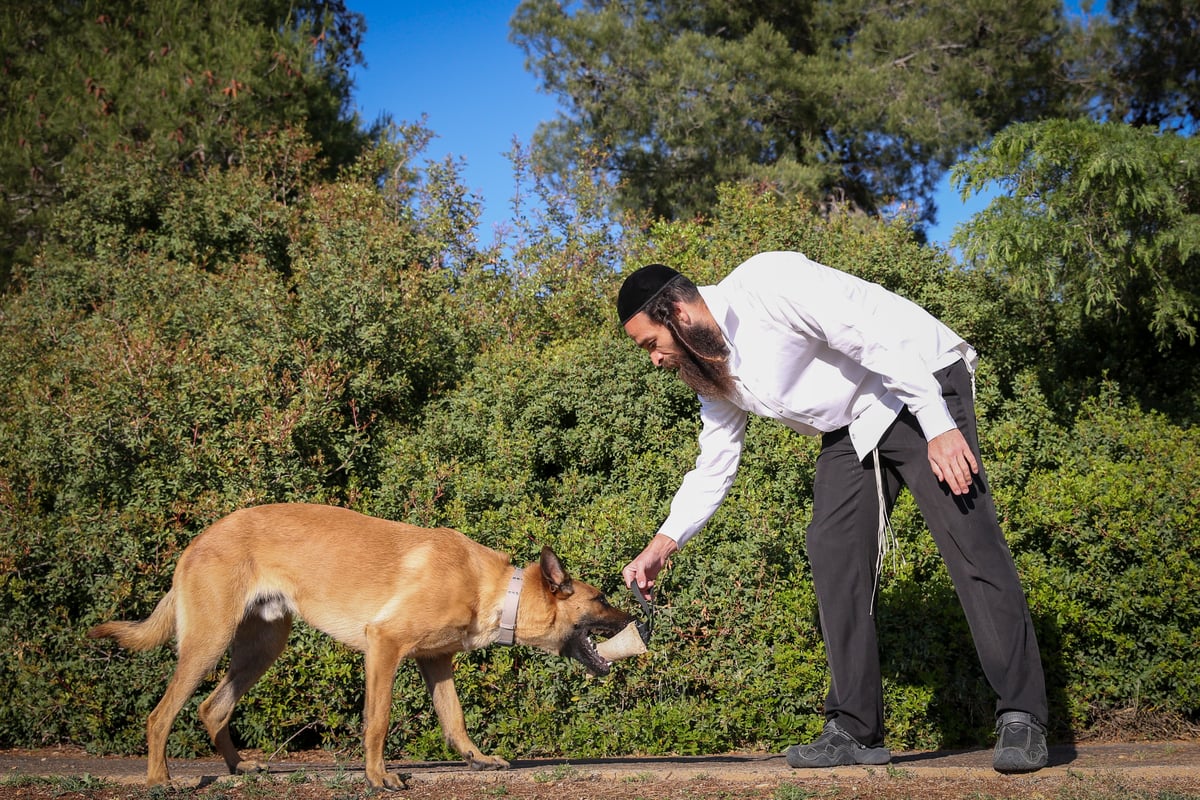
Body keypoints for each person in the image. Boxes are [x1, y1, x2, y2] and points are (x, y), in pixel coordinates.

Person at [616, 252, 1049, 773]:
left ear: (679, 314)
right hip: (852, 422)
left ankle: (1023, 716)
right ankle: (854, 729)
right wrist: (664, 543)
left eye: (651, 344)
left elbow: (870, 338)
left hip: (915, 382)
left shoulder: (768, 283)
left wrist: (938, 424)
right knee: (832, 547)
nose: (655, 359)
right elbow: (716, 460)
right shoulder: (707, 370)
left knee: (969, 540)